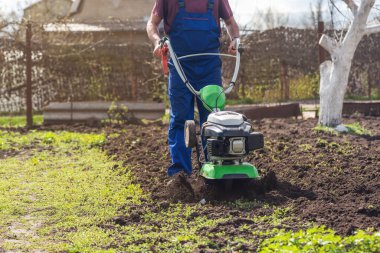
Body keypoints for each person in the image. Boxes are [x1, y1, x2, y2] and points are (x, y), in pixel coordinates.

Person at [147, 0, 240, 177]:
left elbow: (230, 23)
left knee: (213, 117)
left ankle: (216, 165)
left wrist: (235, 38)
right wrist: (157, 41)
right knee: (181, 118)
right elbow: (152, 23)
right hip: (180, 64)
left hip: (209, 65)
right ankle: (180, 174)